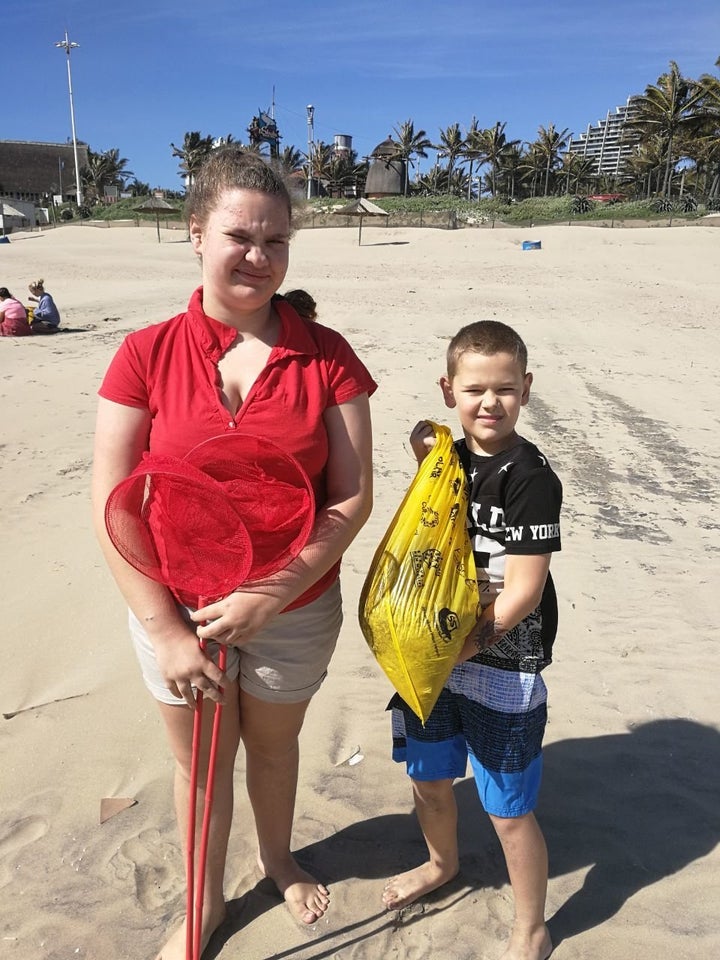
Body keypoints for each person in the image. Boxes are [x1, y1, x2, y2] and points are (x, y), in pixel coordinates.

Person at [91, 148, 376, 960]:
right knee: (202, 768)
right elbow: (113, 505)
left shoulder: (326, 355)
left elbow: (351, 500)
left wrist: (269, 591)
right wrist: (168, 629)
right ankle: (204, 903)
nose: (259, 256)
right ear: (195, 233)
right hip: (176, 606)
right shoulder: (145, 353)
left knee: (276, 747)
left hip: (293, 606)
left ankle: (278, 856)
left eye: (276, 241)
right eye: (240, 236)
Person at [383, 320, 561, 960]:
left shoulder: (529, 476)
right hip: (432, 651)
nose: (490, 402)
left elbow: (524, 590)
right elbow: (421, 448)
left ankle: (530, 927)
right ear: (449, 390)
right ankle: (441, 863)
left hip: (500, 662)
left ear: (526, 389)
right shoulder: (448, 461)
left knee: (508, 809)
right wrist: (424, 441)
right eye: (475, 389)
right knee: (429, 780)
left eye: (506, 389)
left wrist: (459, 651)